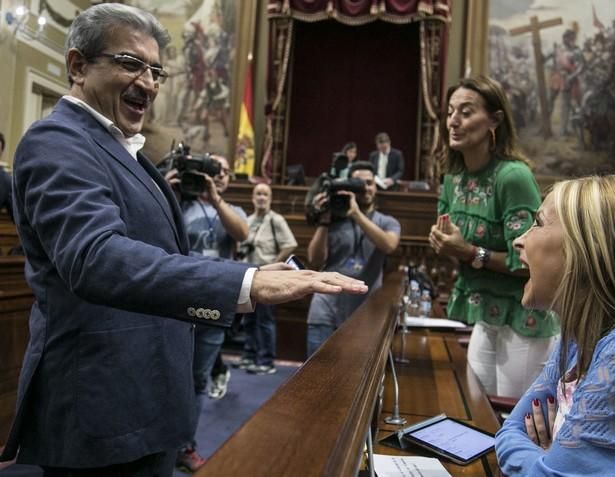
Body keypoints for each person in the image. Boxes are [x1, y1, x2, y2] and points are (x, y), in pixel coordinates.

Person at [0, 4, 367, 475]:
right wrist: (244, 282)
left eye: (156, 71)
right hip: (101, 406)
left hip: (147, 399)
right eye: (131, 64)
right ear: (78, 66)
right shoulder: (57, 142)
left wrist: (244, 274)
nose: (149, 83)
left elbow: (159, 254)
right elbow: (96, 258)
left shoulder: (124, 151)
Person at [495, 175, 615, 476]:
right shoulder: (581, 337)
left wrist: (551, 458)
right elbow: (509, 431)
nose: (519, 240)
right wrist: (546, 457)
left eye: (538, 223)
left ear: (588, 249)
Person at [429, 75, 559, 399]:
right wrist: (444, 243)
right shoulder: (452, 178)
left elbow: (532, 263)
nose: (453, 122)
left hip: (523, 314)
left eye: (466, 112)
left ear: (495, 120)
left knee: (516, 417)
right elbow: (450, 240)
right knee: (476, 409)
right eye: (449, 112)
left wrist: (470, 251)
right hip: (485, 311)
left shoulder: (512, 177)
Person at [164, 154, 248, 471]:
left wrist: (214, 199)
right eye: (213, 170)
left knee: (199, 379)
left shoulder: (233, 210)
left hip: (214, 302)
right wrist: (168, 193)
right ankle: (160, 443)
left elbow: (241, 233)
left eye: (224, 171)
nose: (220, 175)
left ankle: (186, 444)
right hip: (174, 300)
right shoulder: (179, 204)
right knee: (167, 375)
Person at [306, 161, 400, 356]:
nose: (365, 187)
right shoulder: (336, 217)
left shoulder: (388, 222)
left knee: (356, 383)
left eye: (369, 183)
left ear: (376, 186)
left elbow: (389, 245)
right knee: (317, 380)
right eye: (359, 183)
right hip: (325, 310)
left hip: (365, 314)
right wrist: (324, 221)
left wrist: (356, 214)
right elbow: (314, 261)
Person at [235, 183, 297, 375]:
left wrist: (273, 267)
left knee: (265, 320)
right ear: (253, 197)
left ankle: (266, 360)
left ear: (270, 198)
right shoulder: (247, 219)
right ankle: (249, 355)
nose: (261, 197)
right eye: (258, 194)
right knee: (249, 319)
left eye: (265, 194)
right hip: (249, 276)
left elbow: (290, 244)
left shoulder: (275, 220)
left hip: (267, 276)